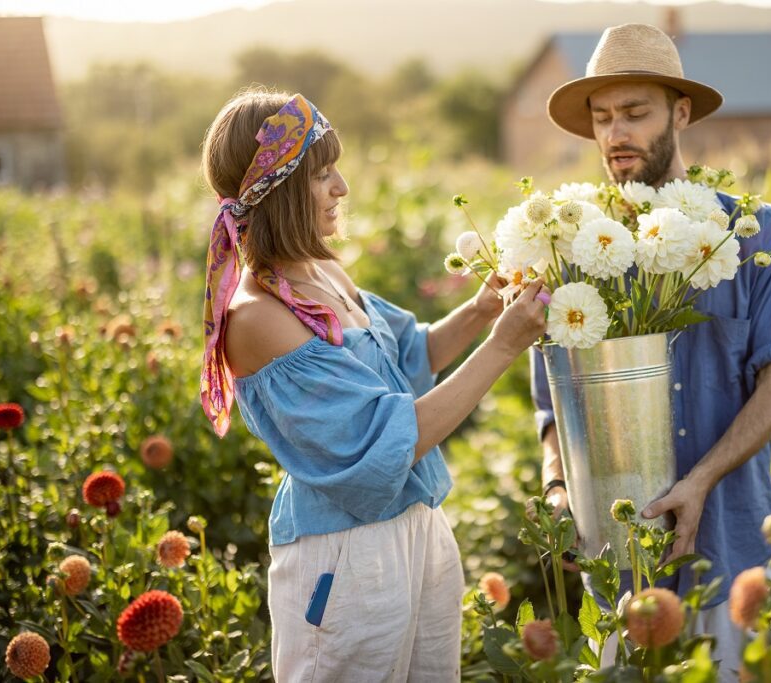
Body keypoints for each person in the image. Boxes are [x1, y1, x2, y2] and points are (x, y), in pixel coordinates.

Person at [199, 89, 547, 682]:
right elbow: (388, 440)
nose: (341, 188)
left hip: (417, 528)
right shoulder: (255, 319)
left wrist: (483, 310)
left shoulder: (322, 269)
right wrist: (505, 345)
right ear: (279, 189)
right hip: (344, 558)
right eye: (322, 174)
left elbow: (409, 357)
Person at [530, 23, 771, 679]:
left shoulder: (759, 235)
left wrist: (699, 482)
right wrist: (556, 490)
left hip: (728, 545)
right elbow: (552, 402)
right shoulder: (574, 250)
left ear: (681, 112)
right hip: (618, 567)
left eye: (635, 112)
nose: (615, 133)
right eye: (602, 118)